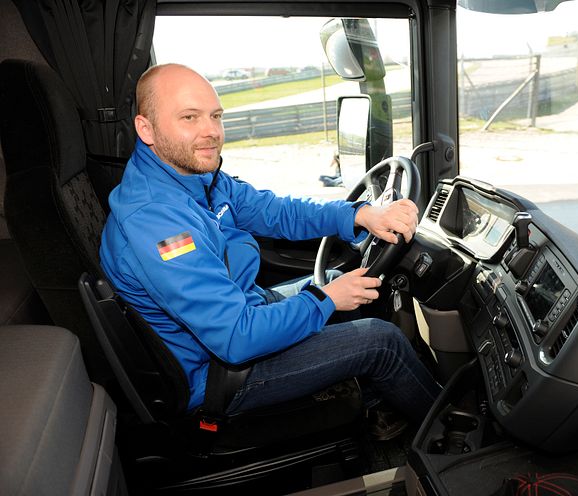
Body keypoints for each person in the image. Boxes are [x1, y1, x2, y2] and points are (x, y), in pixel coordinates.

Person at [99, 64, 441, 437]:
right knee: (382, 342)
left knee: (352, 285)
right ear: (146, 129)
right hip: (221, 374)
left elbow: (274, 211)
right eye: (189, 117)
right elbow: (236, 339)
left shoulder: (194, 176)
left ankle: (376, 405)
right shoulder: (158, 223)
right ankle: (450, 438)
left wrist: (360, 214)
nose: (210, 131)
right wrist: (324, 300)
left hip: (244, 310)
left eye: (215, 116)